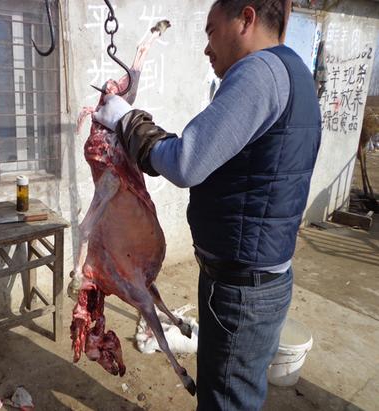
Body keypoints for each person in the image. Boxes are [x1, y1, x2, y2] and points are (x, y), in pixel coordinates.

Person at [92, 0, 321, 410]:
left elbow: (186, 162)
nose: (206, 47)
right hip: (260, 278)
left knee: (225, 401)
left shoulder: (259, 72)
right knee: (233, 393)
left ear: (246, 19)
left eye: (212, 31)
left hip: (242, 289)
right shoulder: (295, 72)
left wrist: (128, 121)